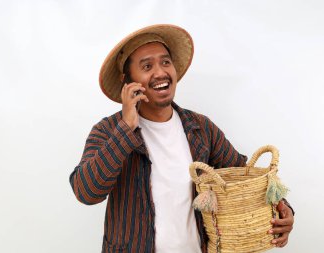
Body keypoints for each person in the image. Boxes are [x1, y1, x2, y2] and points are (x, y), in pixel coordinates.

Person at [69, 24, 294, 253]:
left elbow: (243, 177)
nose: (160, 72)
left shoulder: (200, 128)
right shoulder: (108, 131)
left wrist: (281, 207)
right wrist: (126, 128)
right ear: (127, 80)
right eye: (147, 66)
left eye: (165, 62)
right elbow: (86, 192)